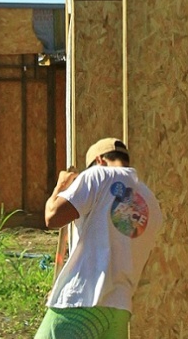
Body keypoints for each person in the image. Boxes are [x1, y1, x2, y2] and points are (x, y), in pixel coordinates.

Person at [35, 137, 163, 339]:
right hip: (118, 311)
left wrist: (60, 188)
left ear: (99, 160)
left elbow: (52, 217)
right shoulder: (150, 201)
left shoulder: (97, 175)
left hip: (80, 303)